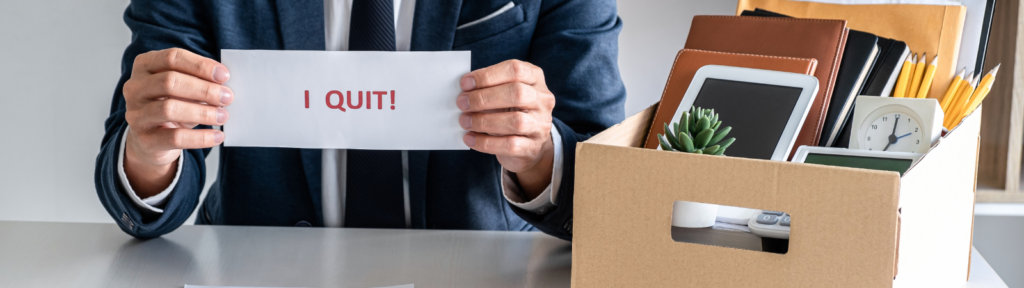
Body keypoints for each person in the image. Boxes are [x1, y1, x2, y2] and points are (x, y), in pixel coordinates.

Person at [95, 0, 625, 240]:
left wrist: (539, 154)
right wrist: (149, 153)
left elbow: (605, 175)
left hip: (485, 271)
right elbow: (145, 155)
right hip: (259, 269)